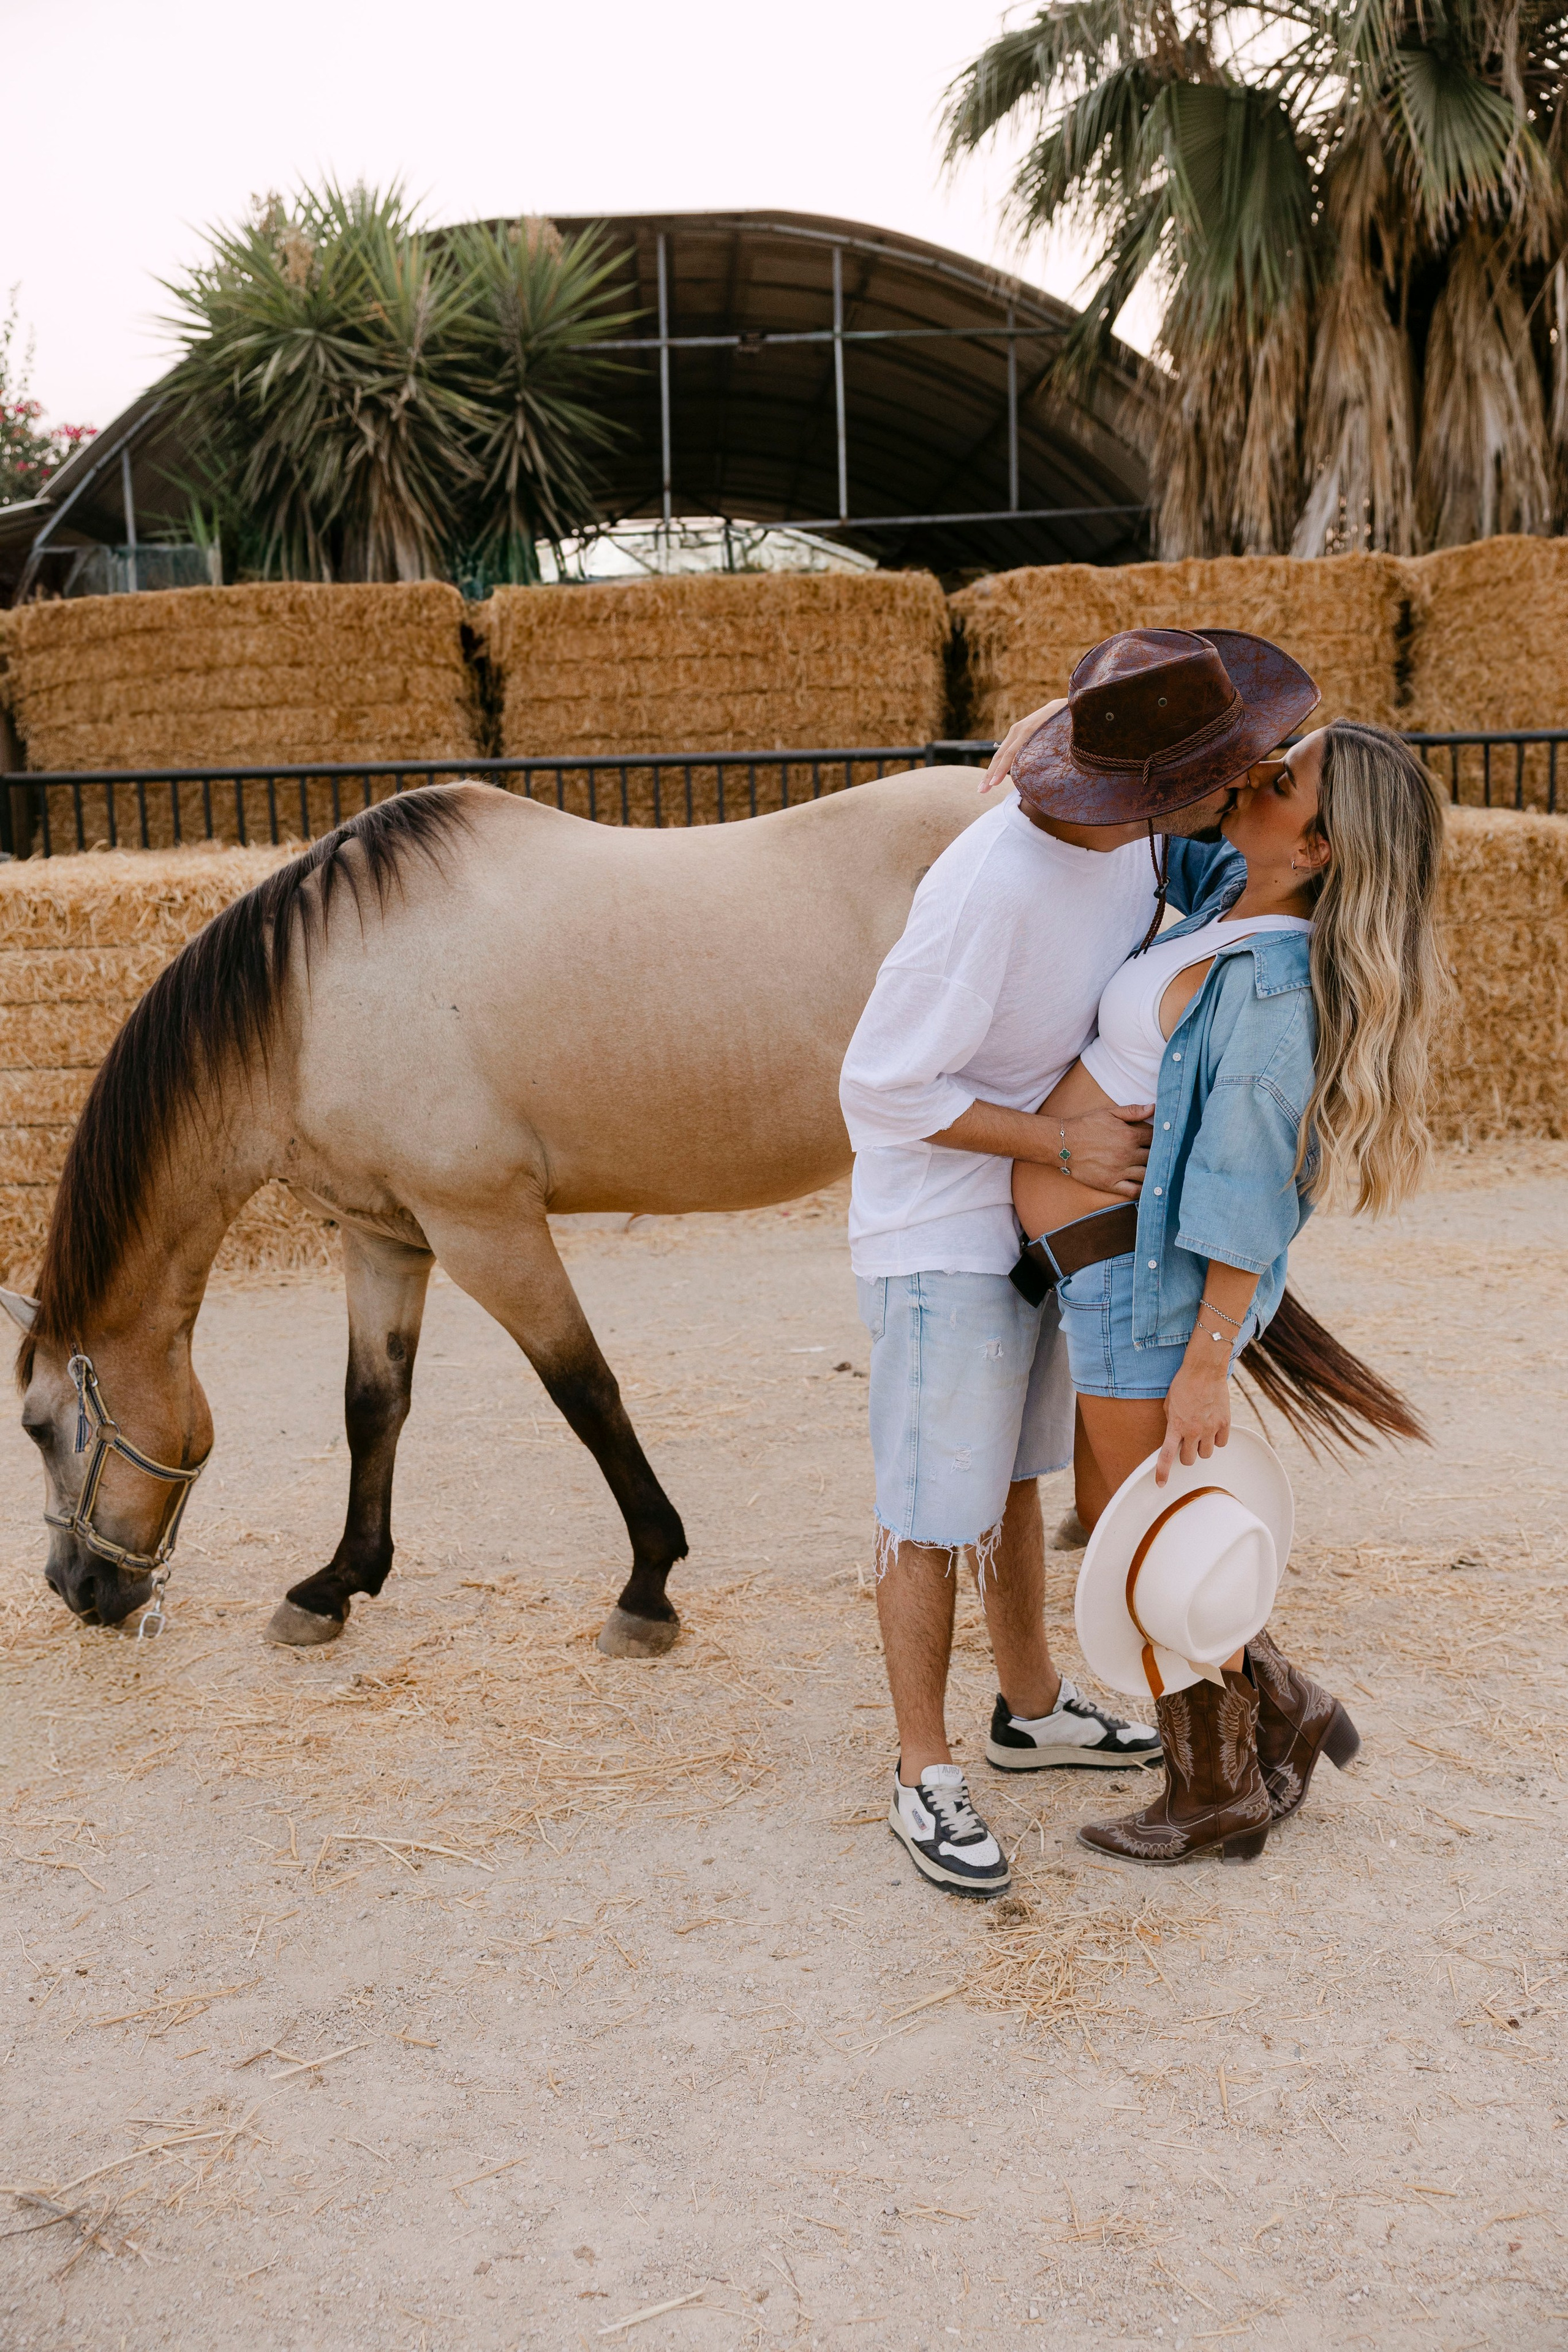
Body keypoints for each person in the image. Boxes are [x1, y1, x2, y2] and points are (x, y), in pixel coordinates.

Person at [839, 625, 1321, 1899]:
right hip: (938, 1222)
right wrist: (1054, 1135)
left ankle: (1031, 1708)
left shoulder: (1148, 842)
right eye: (1231, 764)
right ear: (1166, 785)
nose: (1250, 773)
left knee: (1007, 1477)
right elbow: (878, 1089)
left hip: (1040, 1225)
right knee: (927, 1508)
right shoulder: (984, 892)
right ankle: (921, 1772)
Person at [1001, 694, 1446, 1864]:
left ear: (1322, 851)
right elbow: (1106, 802)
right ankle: (1279, 1717)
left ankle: (1215, 1792)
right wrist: (1087, 721)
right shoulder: (1220, 903)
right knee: (1141, 1525)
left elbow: (1250, 1192)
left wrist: (1207, 1365)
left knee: (1143, 1531)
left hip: (1144, 1298)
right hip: (1099, 1277)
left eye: (1281, 781)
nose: (1254, 780)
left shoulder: (1271, 986)